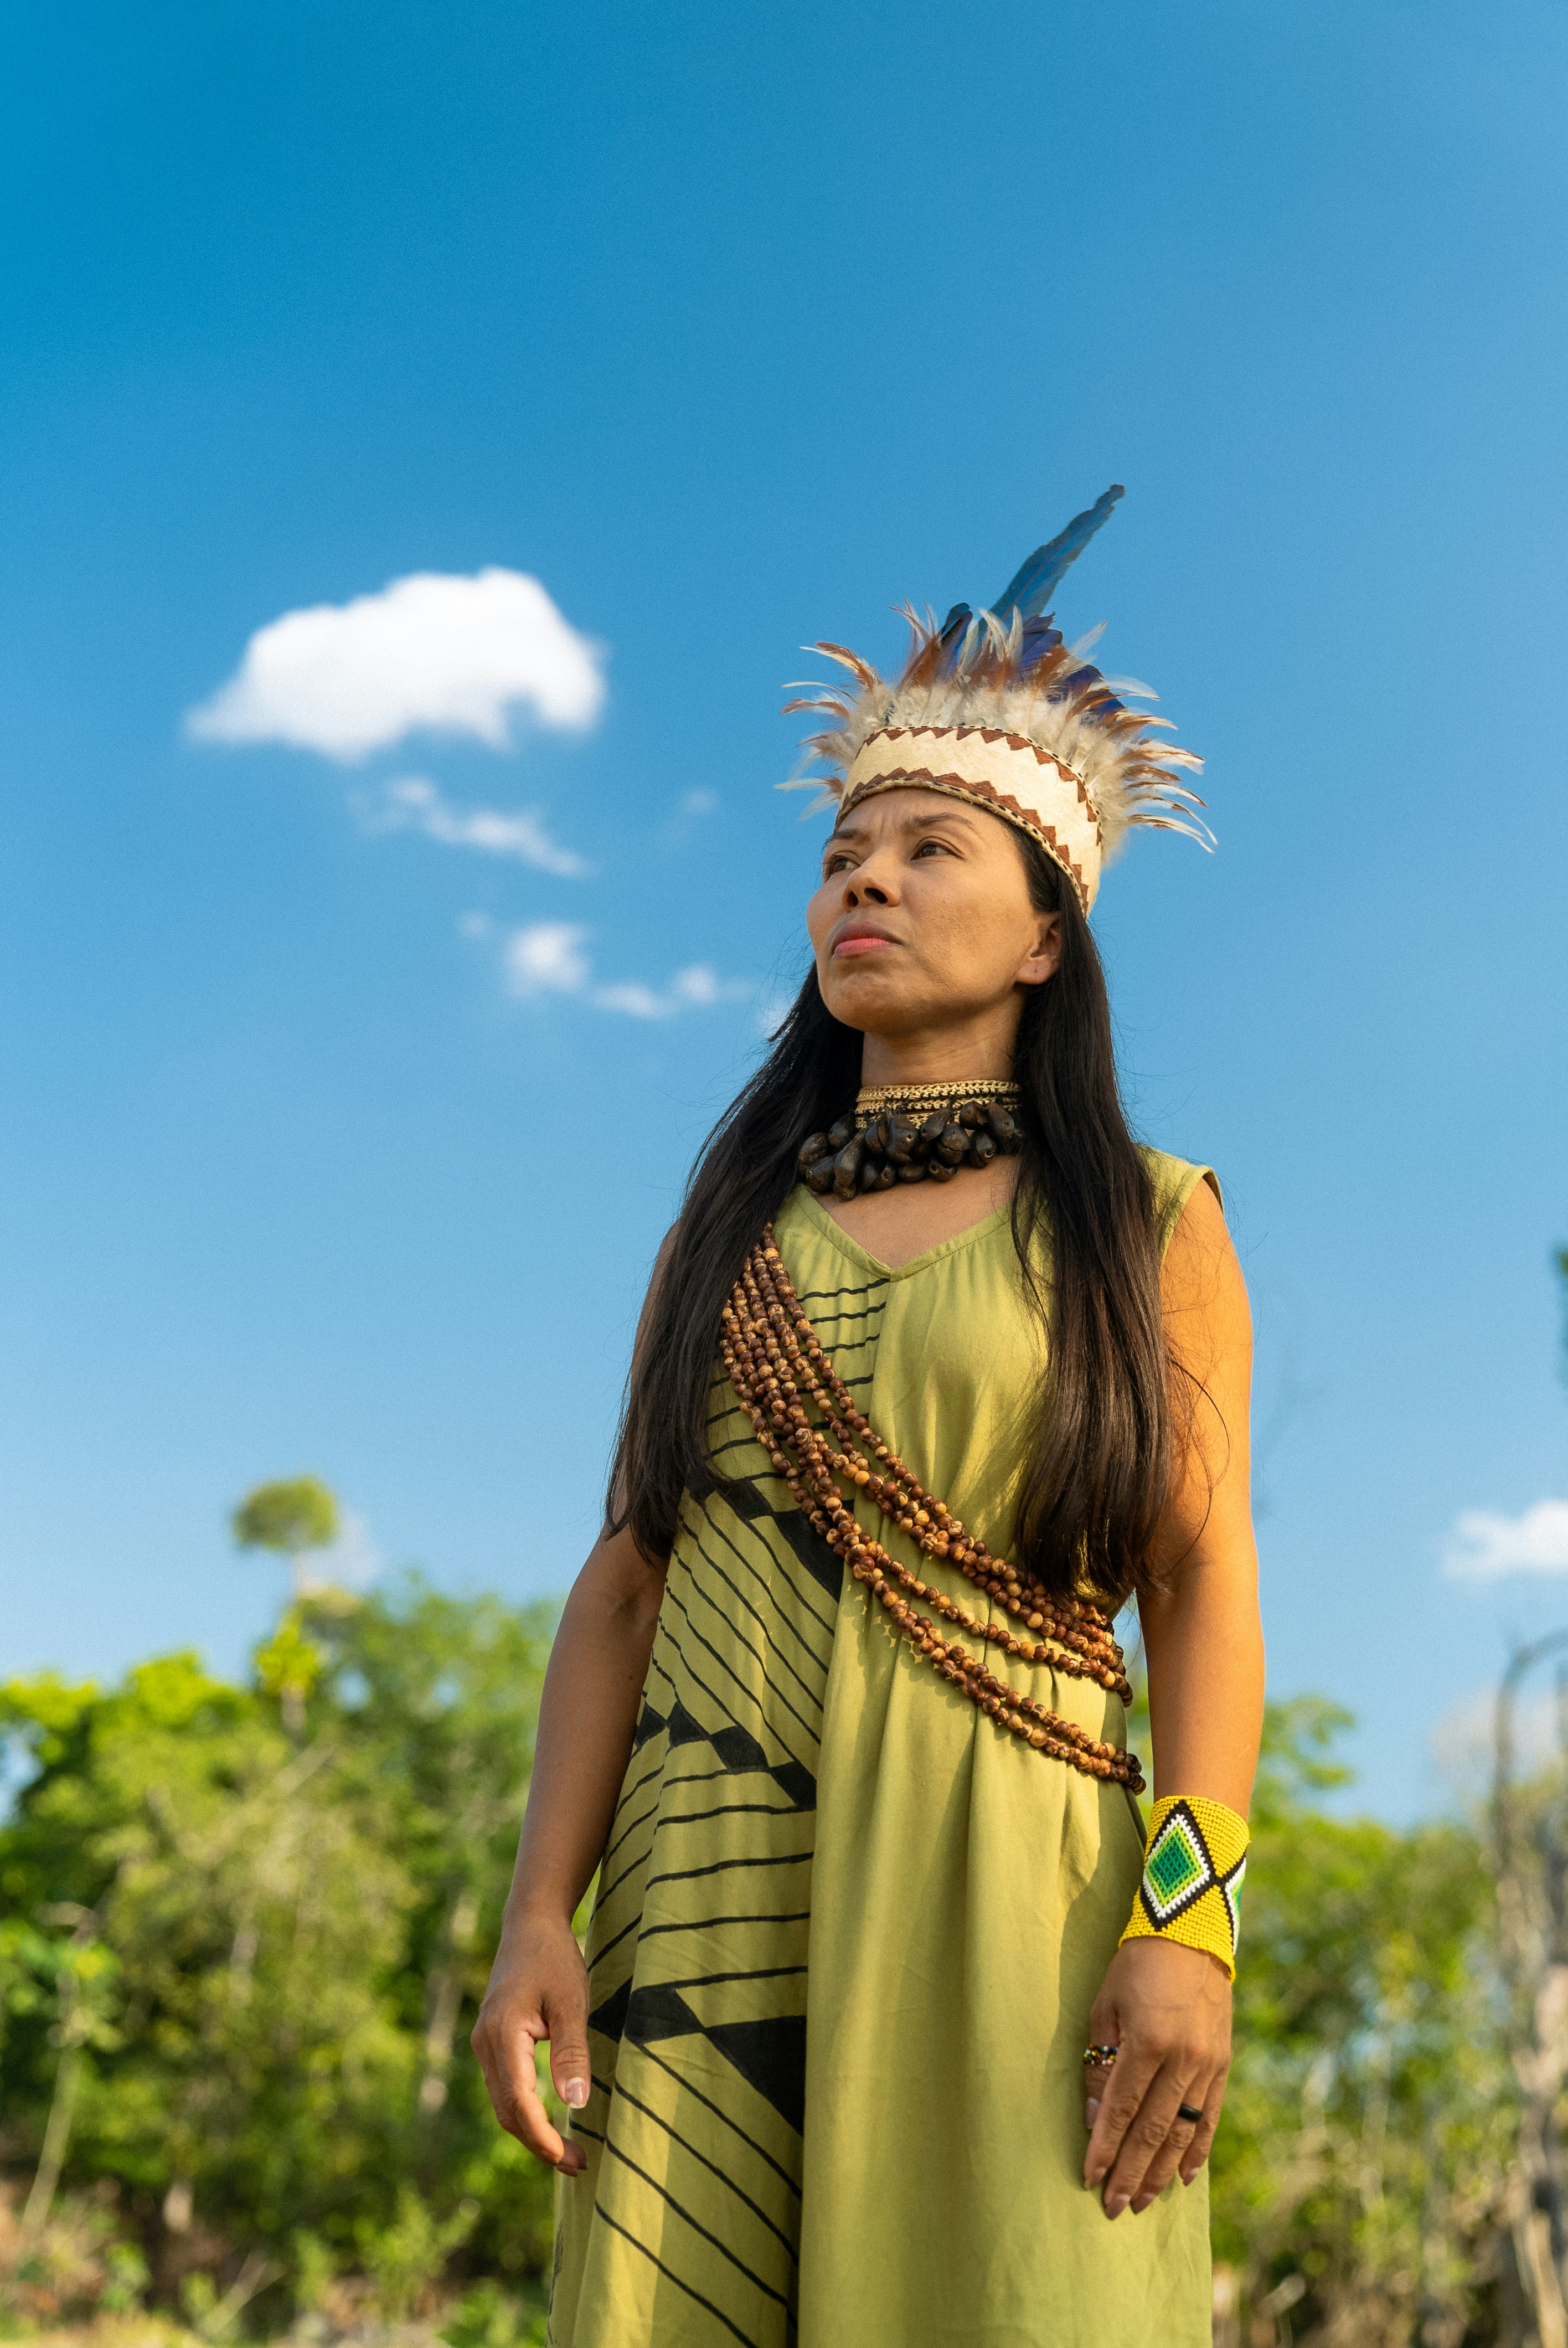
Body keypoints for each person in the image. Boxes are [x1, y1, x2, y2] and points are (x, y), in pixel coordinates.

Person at [473, 488, 1266, 2347]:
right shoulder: (729, 1230)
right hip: (708, 1875)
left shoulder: (1151, 1218)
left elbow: (1206, 1591)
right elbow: (624, 1578)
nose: (868, 880)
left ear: (1050, 938)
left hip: (1021, 1888)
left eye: (928, 848)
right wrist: (537, 1916)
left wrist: (1191, 1924)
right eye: (844, 849)